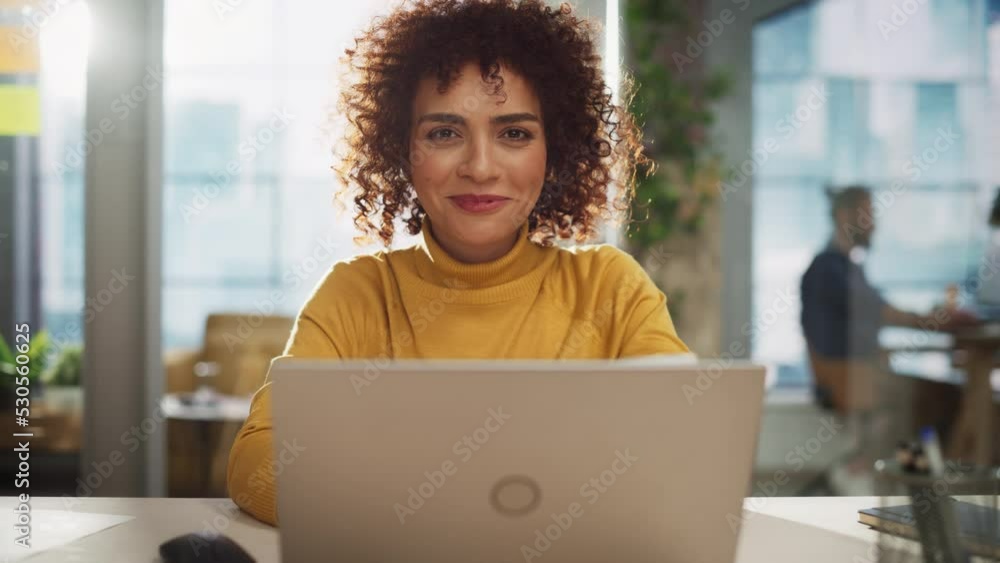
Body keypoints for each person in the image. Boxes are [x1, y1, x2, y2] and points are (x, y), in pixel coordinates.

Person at [227, 0, 690, 526]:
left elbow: (678, 461)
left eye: (514, 133)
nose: (480, 167)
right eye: (444, 133)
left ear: (553, 150)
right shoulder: (355, 293)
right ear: (402, 150)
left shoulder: (611, 288)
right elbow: (256, 464)